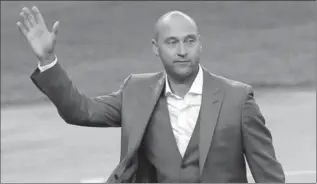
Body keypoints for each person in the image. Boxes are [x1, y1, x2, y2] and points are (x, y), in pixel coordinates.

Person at [17, 6, 285, 183]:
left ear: (200, 43)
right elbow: (81, 110)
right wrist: (48, 60)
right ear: (156, 49)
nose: (182, 50)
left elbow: (269, 176)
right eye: (172, 42)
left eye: (189, 40)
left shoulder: (237, 99)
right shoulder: (136, 91)